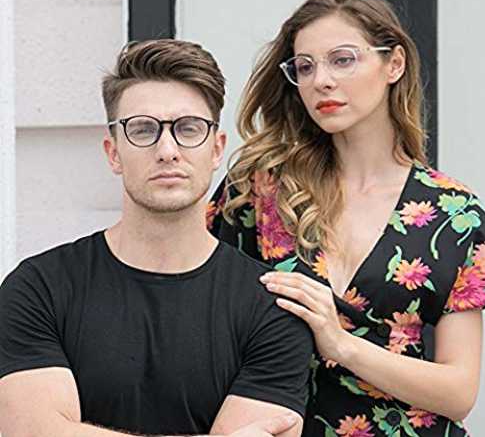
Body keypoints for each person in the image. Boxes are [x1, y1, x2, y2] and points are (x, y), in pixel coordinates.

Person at [208, 0, 485, 436]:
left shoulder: (453, 214)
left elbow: (459, 391)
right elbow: (202, 321)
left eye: (342, 59)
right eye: (305, 66)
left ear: (394, 64)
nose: (321, 80)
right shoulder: (261, 191)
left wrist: (340, 344)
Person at [0, 39, 314, 437]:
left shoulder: (272, 309)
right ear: (113, 152)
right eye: (143, 130)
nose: (167, 150)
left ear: (216, 150)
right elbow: (29, 431)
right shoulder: (39, 288)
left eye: (188, 129)